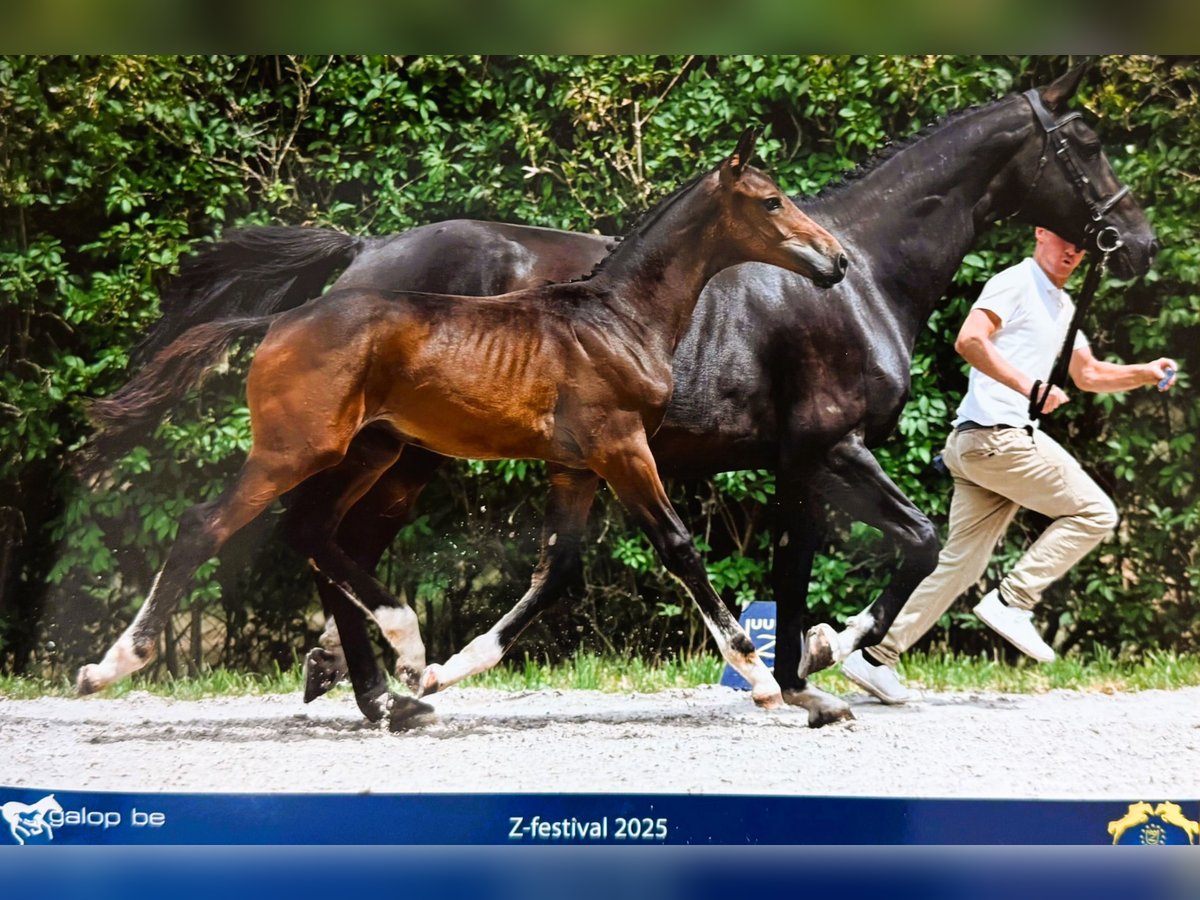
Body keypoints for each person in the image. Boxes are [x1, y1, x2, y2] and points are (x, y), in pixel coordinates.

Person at [842, 227, 1178, 704]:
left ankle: (875, 657)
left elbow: (1089, 373)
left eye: (1080, 247)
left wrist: (1145, 372)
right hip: (998, 438)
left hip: (980, 445)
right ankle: (1013, 600)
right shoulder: (1017, 280)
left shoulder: (1062, 305)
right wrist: (1030, 388)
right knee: (1094, 513)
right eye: (1064, 240)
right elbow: (970, 340)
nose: (1072, 252)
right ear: (1040, 233)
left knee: (960, 564)